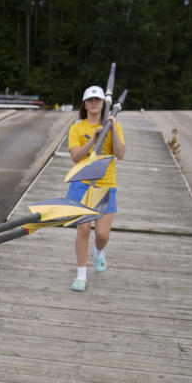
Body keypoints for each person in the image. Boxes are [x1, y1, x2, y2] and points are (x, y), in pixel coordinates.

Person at [67, 85, 126, 291]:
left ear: (103, 104)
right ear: (85, 104)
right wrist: (93, 139)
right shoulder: (77, 128)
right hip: (82, 183)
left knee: (102, 235)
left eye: (97, 100)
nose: (94, 103)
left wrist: (113, 130)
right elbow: (75, 156)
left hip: (105, 184)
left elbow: (120, 154)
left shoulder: (112, 125)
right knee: (83, 229)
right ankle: (81, 275)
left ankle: (99, 252)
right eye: (90, 100)